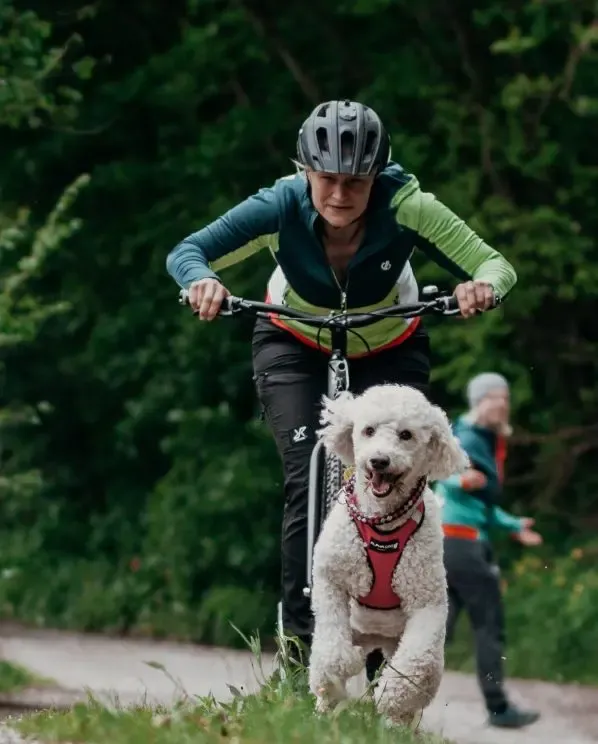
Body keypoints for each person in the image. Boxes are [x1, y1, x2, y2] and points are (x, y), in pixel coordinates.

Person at [166, 100, 518, 682]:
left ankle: (389, 661)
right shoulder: (280, 203)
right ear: (304, 171)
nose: (339, 193)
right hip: (294, 343)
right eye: (326, 178)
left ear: (377, 176)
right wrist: (201, 282)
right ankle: (301, 654)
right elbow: (187, 252)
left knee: (399, 483)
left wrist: (480, 288)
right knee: (310, 470)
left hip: (390, 346)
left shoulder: (408, 206)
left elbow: (494, 263)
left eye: (355, 181)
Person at [435, 372, 542, 728]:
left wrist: (514, 526)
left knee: (437, 628)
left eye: (505, 398)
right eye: (494, 397)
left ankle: (383, 690)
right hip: (462, 543)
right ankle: (497, 707)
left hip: (452, 543)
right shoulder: (466, 437)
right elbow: (444, 475)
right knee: (488, 625)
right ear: (478, 401)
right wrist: (461, 479)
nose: (502, 403)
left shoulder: (484, 439)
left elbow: (482, 505)